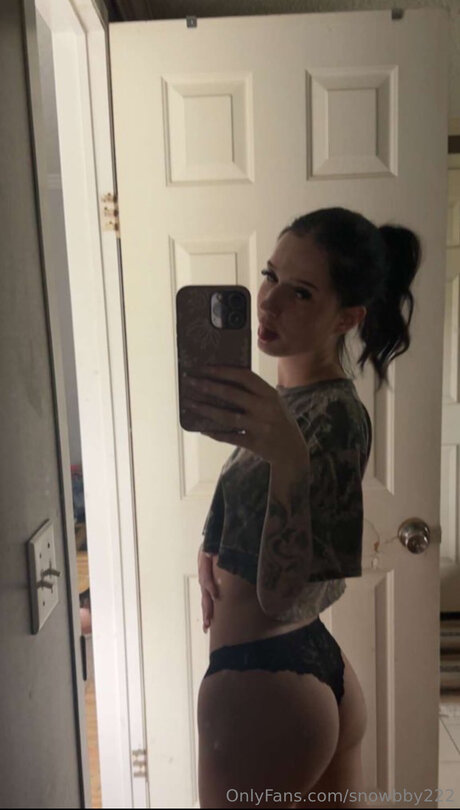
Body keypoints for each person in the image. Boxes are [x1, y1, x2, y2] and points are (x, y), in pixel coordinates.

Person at [182, 207, 421, 809]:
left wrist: (288, 454)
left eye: (301, 292)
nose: (267, 302)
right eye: (270, 276)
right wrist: (212, 544)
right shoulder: (284, 400)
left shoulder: (336, 416)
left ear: (347, 318)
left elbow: (291, 595)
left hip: (264, 684)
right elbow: (254, 493)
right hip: (295, 668)